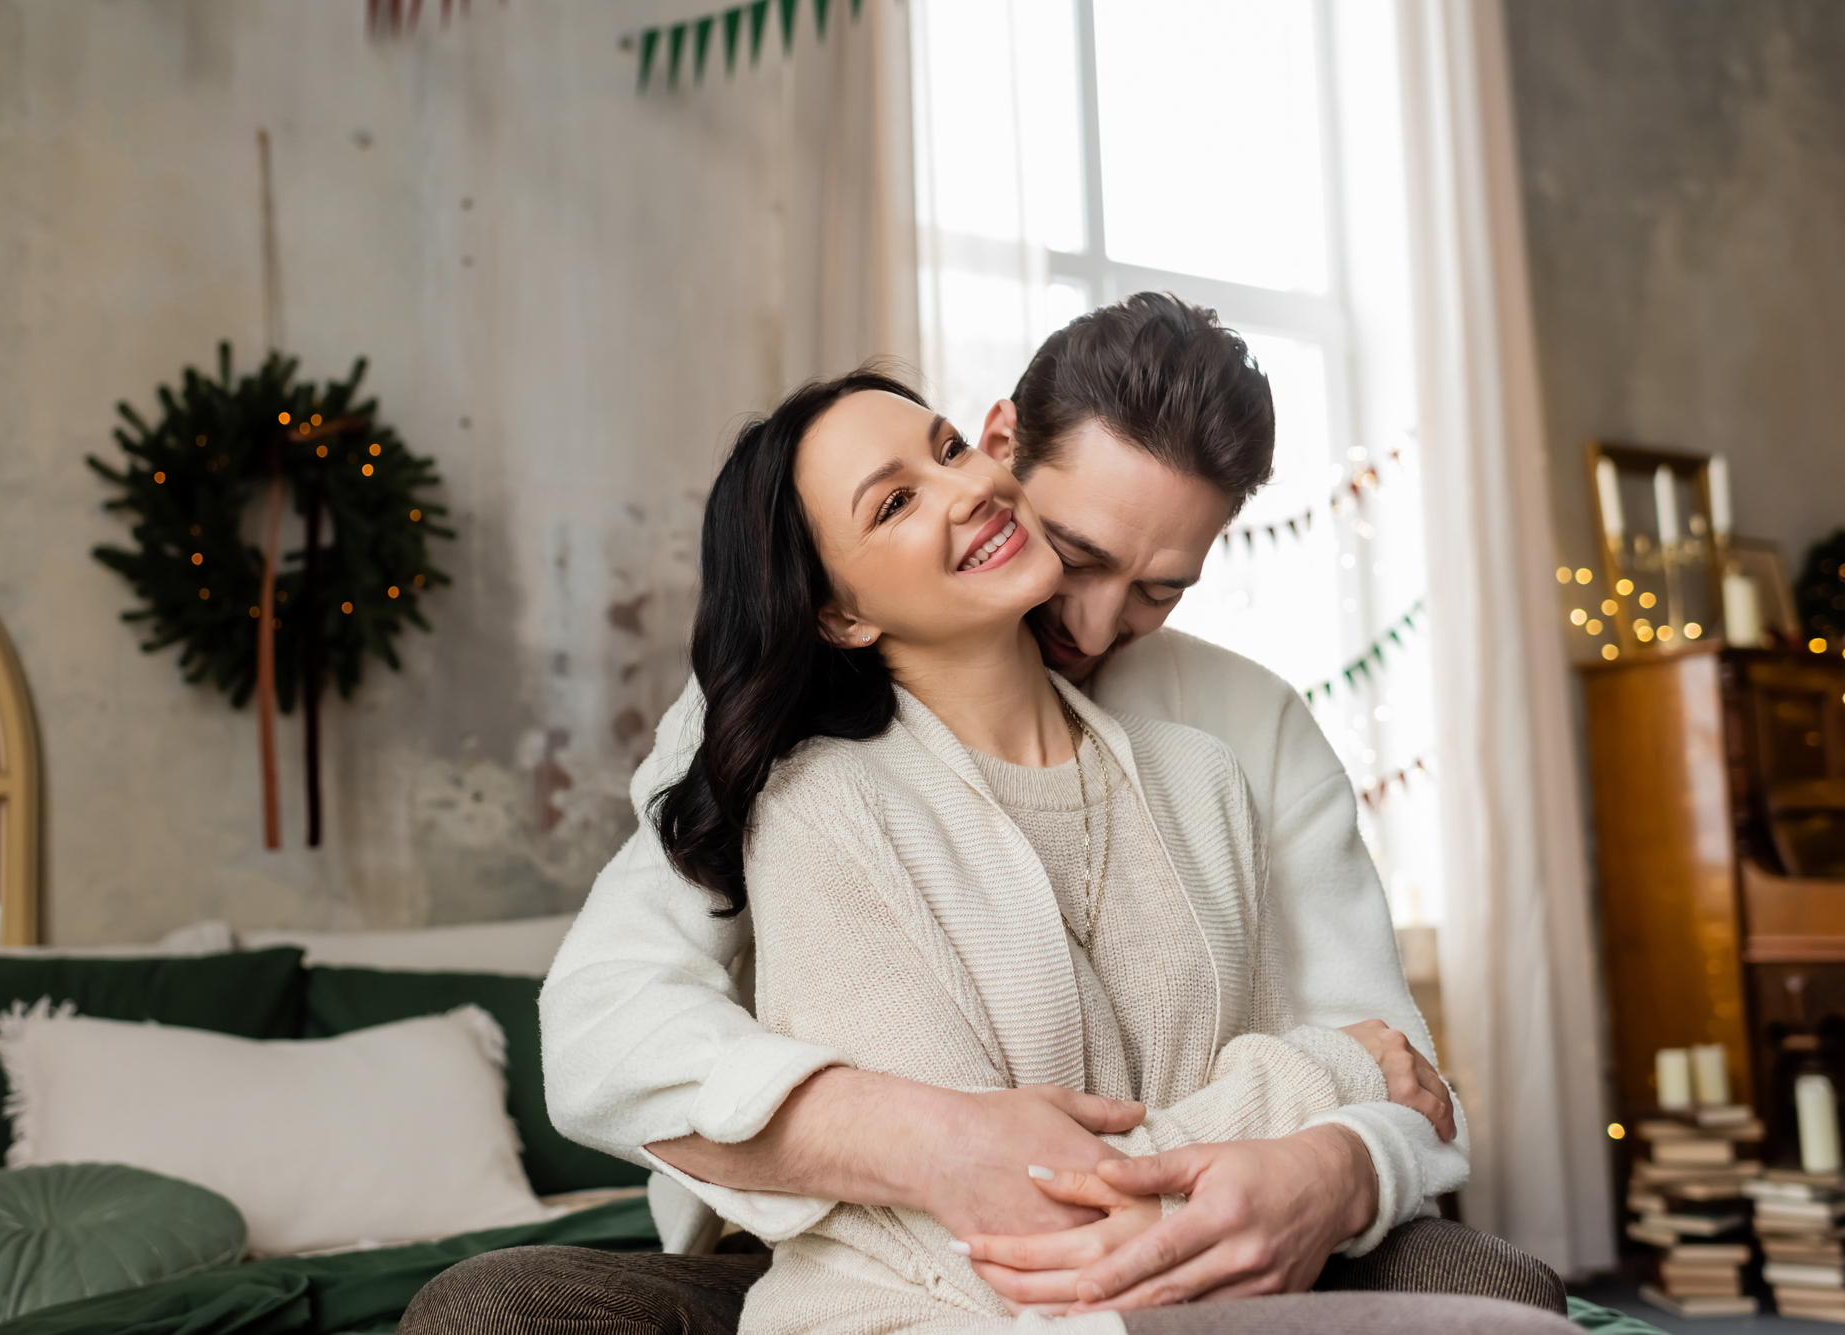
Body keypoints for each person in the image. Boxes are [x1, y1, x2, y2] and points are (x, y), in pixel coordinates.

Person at [402, 298, 1561, 1335]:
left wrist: (1333, 1169)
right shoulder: (791, 736)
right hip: (852, 1247)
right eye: (1079, 555)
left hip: (1210, 1212)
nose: (1098, 627)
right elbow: (606, 1035)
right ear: (1004, 445)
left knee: (1495, 1283)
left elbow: (1401, 1078)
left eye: (1160, 589)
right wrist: (935, 1145)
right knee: (495, 1311)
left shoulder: (1235, 740)